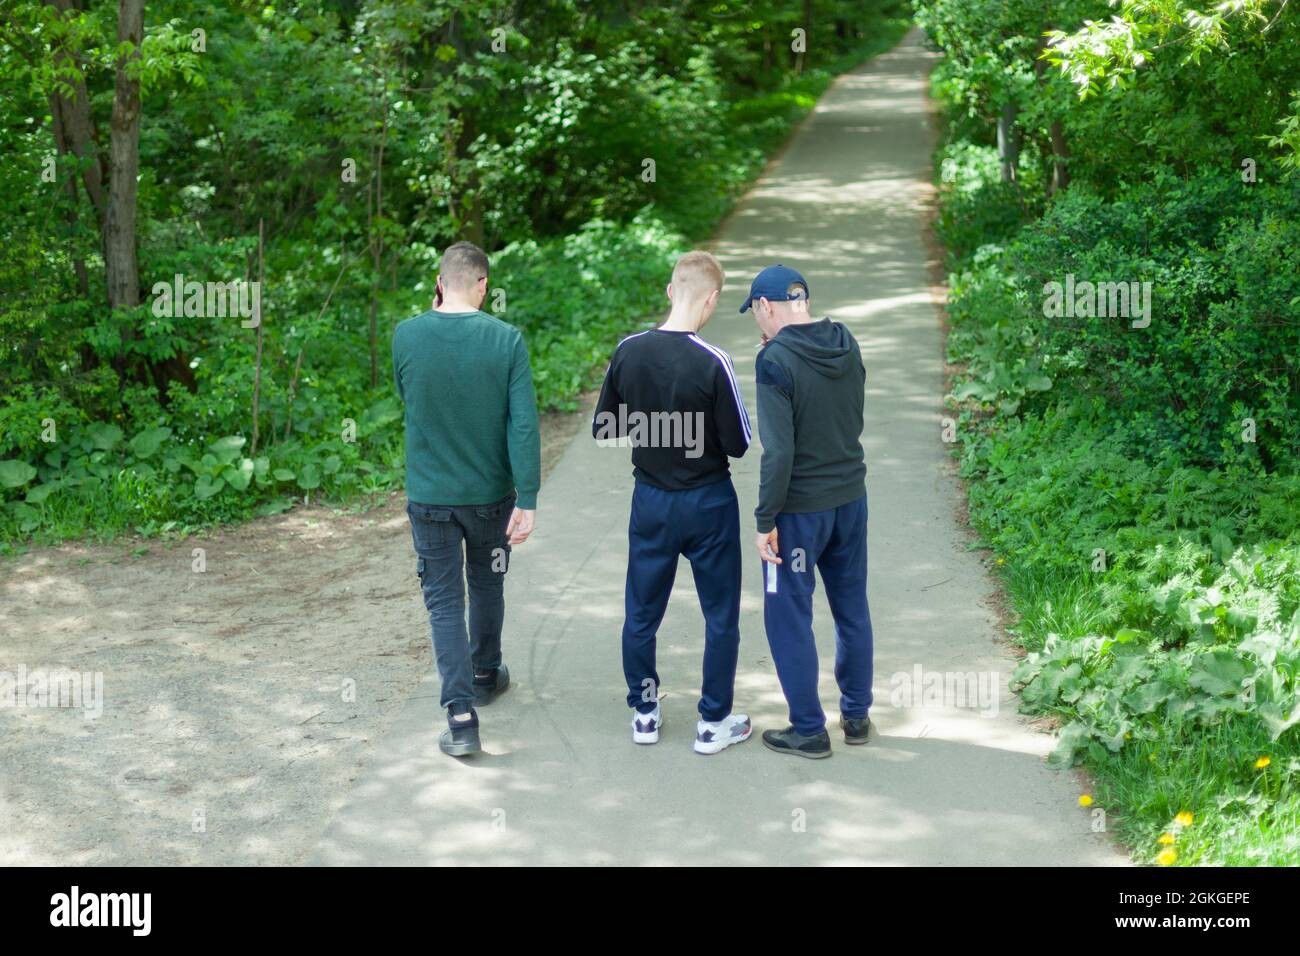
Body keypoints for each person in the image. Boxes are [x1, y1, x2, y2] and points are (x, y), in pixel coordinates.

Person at [592, 251, 753, 754]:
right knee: (720, 613)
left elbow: (605, 427)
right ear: (711, 299)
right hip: (708, 503)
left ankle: (644, 711)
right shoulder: (714, 361)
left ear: (669, 290)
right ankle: (713, 722)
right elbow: (739, 443)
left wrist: (653, 429)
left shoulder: (628, 351)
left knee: (642, 611)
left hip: (652, 501)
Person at [392, 240, 540, 757]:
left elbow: (411, 398)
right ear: (483, 285)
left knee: (443, 601)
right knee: (487, 582)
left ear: (438, 282)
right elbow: (522, 422)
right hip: (490, 497)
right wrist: (530, 494)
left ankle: (460, 717)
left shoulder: (407, 335)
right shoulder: (507, 340)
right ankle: (484, 670)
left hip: (430, 497)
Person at [744, 264, 874, 759]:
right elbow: (847, 408)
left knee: (788, 615)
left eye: (756, 312)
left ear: (765, 306)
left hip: (799, 514)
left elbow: (778, 452)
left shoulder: (775, 360)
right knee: (851, 607)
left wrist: (764, 520)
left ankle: (808, 729)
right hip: (850, 500)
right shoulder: (844, 340)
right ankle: (857, 716)